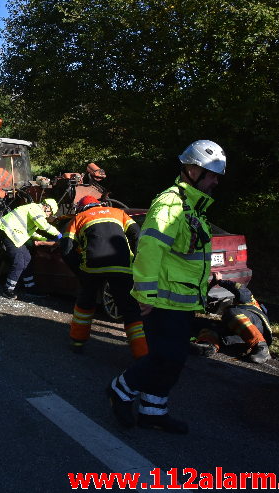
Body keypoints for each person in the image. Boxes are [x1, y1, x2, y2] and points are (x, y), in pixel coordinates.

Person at [108, 140, 226, 434]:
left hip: (184, 301)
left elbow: (185, 255)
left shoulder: (194, 209)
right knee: (165, 357)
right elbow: (149, 249)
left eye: (217, 175)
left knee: (173, 362)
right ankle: (120, 391)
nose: (215, 180)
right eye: (211, 174)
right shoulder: (171, 203)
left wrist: (207, 280)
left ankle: (153, 412)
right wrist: (145, 296)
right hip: (161, 300)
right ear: (191, 169)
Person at [61, 195, 147, 358]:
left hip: (92, 266)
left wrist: (79, 271)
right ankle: (142, 353)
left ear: (82, 208)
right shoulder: (118, 213)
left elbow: (66, 249)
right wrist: (135, 259)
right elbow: (137, 234)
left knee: (85, 303)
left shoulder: (78, 218)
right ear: (99, 204)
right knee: (130, 309)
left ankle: (77, 342)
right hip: (121, 265)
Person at [191, 273, 271, 363]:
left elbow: (238, 287)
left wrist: (220, 281)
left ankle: (262, 347)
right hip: (241, 340)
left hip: (257, 328)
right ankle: (207, 346)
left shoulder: (248, 301)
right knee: (210, 328)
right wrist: (211, 285)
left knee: (232, 313)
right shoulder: (230, 318)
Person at [0, 198, 62, 299]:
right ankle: (8, 289)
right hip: (8, 232)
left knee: (27, 259)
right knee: (19, 262)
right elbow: (43, 225)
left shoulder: (34, 210)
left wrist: (45, 239)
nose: (49, 216)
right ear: (47, 207)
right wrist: (58, 234)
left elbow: (30, 232)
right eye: (50, 213)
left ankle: (30, 288)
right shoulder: (36, 209)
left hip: (14, 234)